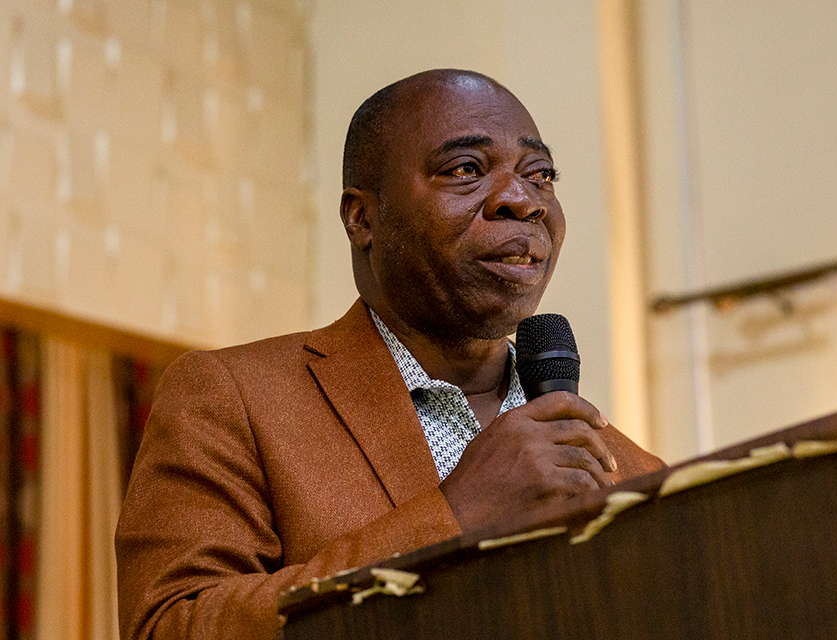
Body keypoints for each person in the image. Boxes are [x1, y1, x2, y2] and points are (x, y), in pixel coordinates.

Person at [115, 69, 664, 640]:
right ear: (362, 218)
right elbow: (173, 626)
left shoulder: (637, 473)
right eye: (466, 170)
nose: (522, 200)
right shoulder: (233, 398)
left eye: (541, 174)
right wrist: (452, 518)